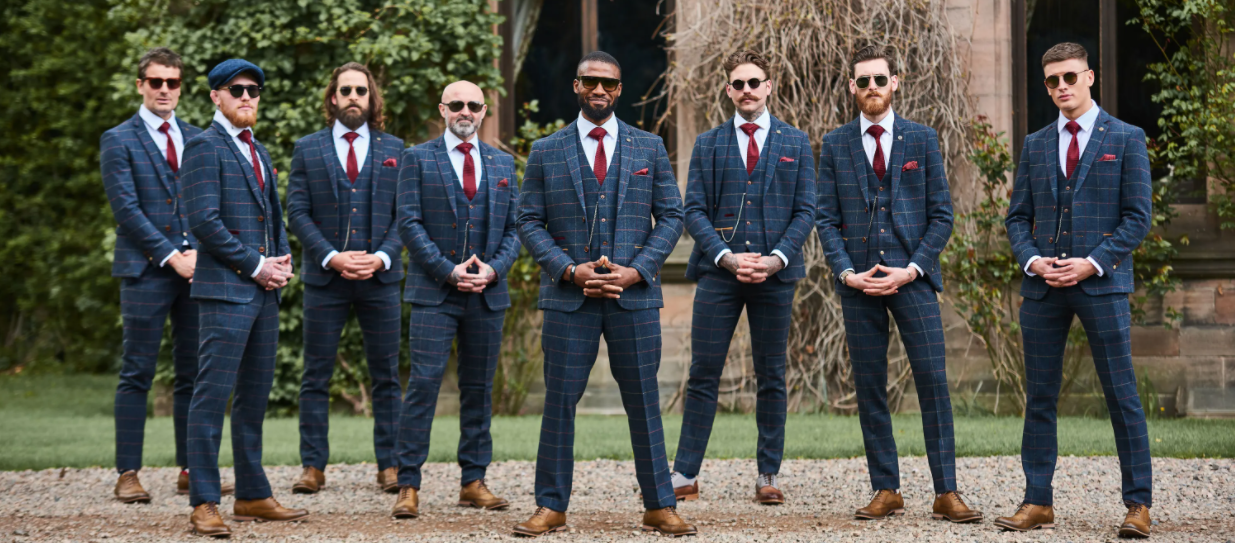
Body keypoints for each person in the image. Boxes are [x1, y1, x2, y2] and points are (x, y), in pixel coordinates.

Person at [511, 51, 695, 537]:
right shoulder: (547, 150)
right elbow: (527, 220)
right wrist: (568, 269)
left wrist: (637, 271)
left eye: (608, 85)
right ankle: (551, 505)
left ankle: (659, 504)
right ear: (576, 85)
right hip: (568, 299)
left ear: (619, 90)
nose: (599, 91)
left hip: (632, 299)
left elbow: (672, 216)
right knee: (559, 404)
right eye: (591, 82)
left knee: (643, 402)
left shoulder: (649, 147)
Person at [815, 45, 981, 524]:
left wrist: (914, 269)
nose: (872, 88)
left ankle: (946, 490)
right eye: (863, 81)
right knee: (869, 386)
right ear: (852, 87)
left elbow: (942, 216)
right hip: (858, 283)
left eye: (879, 80)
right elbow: (826, 219)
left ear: (896, 82)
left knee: (932, 382)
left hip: (913, 281)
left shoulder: (922, 139)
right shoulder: (835, 143)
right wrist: (847, 272)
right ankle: (886, 487)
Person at [996, 42, 1153, 538]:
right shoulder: (1036, 143)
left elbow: (1137, 218)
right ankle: (1037, 500)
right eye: (1051, 81)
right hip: (1043, 289)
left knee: (1121, 394)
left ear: (1090, 77)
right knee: (1039, 397)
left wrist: (1091, 263)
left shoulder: (1126, 139)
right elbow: (1017, 217)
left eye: (1069, 77)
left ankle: (1138, 505)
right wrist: (1033, 259)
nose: (1060, 86)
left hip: (1101, 287)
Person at [671, 49, 815, 505]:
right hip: (719, 276)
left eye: (755, 82)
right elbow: (692, 210)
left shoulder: (795, 143)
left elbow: (806, 211)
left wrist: (776, 259)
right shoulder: (709, 144)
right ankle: (685, 474)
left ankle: (768, 474)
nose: (748, 90)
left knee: (771, 374)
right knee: (703, 372)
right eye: (739, 84)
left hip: (775, 276)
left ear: (769, 87)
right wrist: (726, 257)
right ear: (729, 91)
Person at [100, 47, 232, 502]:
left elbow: (207, 205)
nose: (163, 90)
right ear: (140, 85)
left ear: (181, 87)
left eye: (171, 82)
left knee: (194, 374)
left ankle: (191, 470)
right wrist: (172, 256)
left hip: (199, 271)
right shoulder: (117, 139)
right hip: (145, 271)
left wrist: (198, 253)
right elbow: (127, 212)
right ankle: (128, 472)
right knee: (137, 370)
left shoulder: (199, 138)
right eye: (155, 82)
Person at [182, 59, 306, 538]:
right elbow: (204, 222)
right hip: (226, 291)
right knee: (211, 398)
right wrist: (257, 266)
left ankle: (252, 494)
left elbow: (271, 217)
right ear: (216, 95)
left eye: (255, 89)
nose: (248, 97)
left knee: (254, 398)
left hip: (263, 293)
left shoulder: (258, 148)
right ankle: (205, 502)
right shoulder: (202, 147)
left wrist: (283, 258)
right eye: (237, 89)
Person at [389, 80, 521, 518]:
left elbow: (515, 229)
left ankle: (473, 480)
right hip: (434, 293)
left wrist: (494, 269)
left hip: (487, 293)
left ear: (484, 111)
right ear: (443, 109)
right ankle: (408, 483)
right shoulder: (417, 158)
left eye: (473, 106)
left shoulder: (503, 163)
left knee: (479, 390)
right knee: (423, 385)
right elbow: (408, 223)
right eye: (457, 105)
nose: (465, 112)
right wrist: (446, 271)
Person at [286, 62, 405, 496]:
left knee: (387, 376)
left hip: (380, 280)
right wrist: (332, 257)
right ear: (333, 98)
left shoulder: (396, 149)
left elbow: (404, 215)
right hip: (326, 280)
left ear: (371, 99)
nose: (353, 97)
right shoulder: (308, 149)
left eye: (361, 91)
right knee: (315, 375)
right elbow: (297, 213)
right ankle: (313, 466)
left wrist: (380, 258)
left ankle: (390, 465)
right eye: (345, 90)